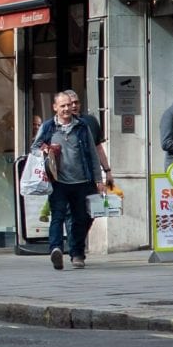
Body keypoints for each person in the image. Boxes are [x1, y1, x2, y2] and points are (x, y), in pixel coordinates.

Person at [35, 90, 111, 270]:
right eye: (63, 106)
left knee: (80, 218)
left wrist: (99, 179)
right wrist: (44, 151)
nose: (67, 108)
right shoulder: (48, 127)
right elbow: (34, 148)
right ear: (55, 108)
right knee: (57, 216)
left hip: (81, 181)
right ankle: (56, 249)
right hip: (58, 182)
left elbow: (93, 154)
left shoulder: (82, 127)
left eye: (69, 105)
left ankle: (77, 255)